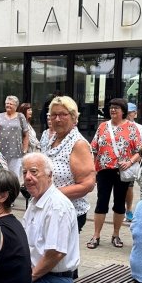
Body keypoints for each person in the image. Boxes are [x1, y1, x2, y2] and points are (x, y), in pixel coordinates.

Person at [21, 153, 80, 283]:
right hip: (39, 274)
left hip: (54, 282)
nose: (27, 177)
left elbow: (55, 253)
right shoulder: (36, 200)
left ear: (49, 175)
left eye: (34, 172)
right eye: (24, 172)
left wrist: (28, 278)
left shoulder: (56, 206)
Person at [88, 98, 142, 249]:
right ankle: (96, 235)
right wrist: (93, 169)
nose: (113, 110)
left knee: (119, 204)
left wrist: (130, 162)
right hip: (104, 170)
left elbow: (139, 151)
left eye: (116, 108)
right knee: (101, 202)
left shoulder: (132, 128)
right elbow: (94, 148)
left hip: (122, 171)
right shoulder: (103, 126)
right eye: (111, 107)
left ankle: (116, 234)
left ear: (123, 111)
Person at [40, 96, 96, 232]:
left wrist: (50, 195)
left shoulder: (78, 144)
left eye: (63, 115)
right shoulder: (52, 139)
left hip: (67, 213)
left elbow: (88, 184)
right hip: (49, 210)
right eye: (54, 115)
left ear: (74, 117)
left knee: (56, 254)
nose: (57, 119)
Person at [0, 96, 29, 182]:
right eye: (7, 103)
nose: (8, 105)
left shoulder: (20, 116)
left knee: (13, 177)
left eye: (11, 104)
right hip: (0, 153)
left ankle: (12, 194)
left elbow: (26, 134)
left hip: (16, 153)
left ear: (16, 106)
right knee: (0, 177)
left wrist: (25, 150)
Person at [124, 102, 142, 224]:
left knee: (129, 187)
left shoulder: (140, 128)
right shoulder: (117, 126)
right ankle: (121, 209)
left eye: (130, 113)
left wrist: (137, 159)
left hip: (133, 163)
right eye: (126, 113)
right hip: (118, 162)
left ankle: (128, 210)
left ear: (135, 114)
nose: (128, 116)